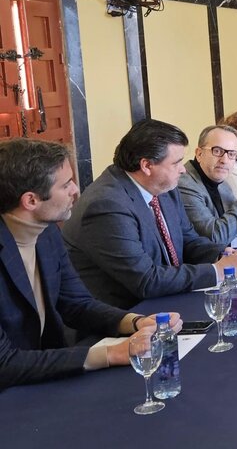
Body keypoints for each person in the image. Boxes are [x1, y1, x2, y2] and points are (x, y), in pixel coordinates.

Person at [0, 138, 183, 389]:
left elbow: (77, 304)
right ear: (31, 200)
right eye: (66, 185)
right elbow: (5, 363)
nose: (76, 190)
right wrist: (110, 354)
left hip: (47, 378)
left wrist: (136, 322)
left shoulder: (46, 233)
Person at [62, 120, 237, 310]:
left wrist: (219, 253)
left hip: (166, 298)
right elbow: (145, 280)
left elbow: (188, 239)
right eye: (176, 162)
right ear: (146, 165)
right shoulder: (106, 206)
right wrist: (216, 271)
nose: (183, 169)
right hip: (126, 316)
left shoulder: (163, 187)